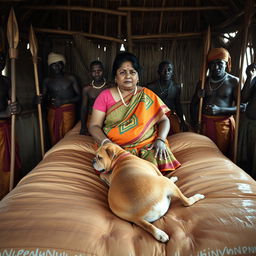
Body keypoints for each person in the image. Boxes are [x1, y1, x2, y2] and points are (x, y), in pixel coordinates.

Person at [88, 52, 180, 173]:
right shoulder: (104, 96)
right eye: (122, 72)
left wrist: (161, 140)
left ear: (138, 77)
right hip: (116, 149)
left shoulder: (146, 94)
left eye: (132, 72)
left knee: (150, 174)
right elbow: (94, 126)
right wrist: (107, 144)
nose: (128, 76)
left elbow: (164, 120)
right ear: (115, 77)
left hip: (148, 147)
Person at [190, 47, 244, 157]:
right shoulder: (203, 82)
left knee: (221, 157)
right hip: (204, 125)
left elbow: (243, 107)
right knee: (204, 155)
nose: (216, 67)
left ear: (226, 63)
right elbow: (193, 104)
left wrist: (221, 110)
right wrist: (196, 122)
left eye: (220, 63)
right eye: (212, 64)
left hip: (223, 127)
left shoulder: (234, 82)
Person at [42, 52, 81, 146]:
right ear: (50, 66)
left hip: (68, 112)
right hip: (53, 112)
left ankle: (67, 154)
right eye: (54, 65)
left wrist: (64, 101)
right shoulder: (47, 81)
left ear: (63, 65)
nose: (57, 67)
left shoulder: (71, 78)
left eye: (59, 64)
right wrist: (39, 99)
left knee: (68, 135)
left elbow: (79, 97)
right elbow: (43, 98)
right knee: (53, 135)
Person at [0, 51, 21, 199]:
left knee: (7, 164)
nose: (1, 61)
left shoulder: (6, 81)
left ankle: (7, 196)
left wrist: (16, 108)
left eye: (3, 59)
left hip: (6, 129)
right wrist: (3, 113)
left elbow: (16, 103)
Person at [147, 61, 189, 134]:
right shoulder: (151, 87)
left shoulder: (176, 87)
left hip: (170, 116)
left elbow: (178, 105)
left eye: (169, 69)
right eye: (163, 70)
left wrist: (182, 121)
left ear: (172, 72)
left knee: (179, 133)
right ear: (158, 72)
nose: (167, 72)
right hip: (155, 117)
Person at [80, 60, 111, 135]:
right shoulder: (87, 89)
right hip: (92, 118)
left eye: (99, 70)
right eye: (94, 71)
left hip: (108, 119)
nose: (97, 73)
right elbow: (84, 108)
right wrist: (83, 126)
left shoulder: (110, 87)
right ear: (90, 73)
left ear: (103, 71)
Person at [237, 63, 256, 179]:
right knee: (245, 160)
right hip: (248, 124)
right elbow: (243, 99)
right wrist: (249, 76)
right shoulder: (254, 79)